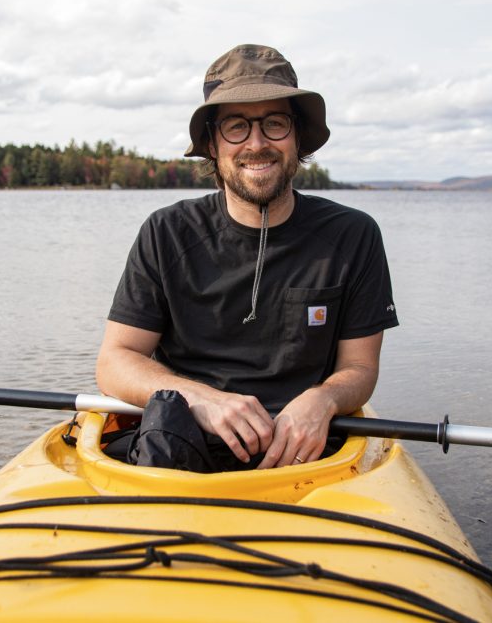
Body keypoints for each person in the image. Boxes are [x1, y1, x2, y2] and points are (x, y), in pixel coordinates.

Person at [95, 44, 398, 472]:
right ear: (213, 145)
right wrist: (199, 398)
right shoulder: (166, 232)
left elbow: (361, 366)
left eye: (274, 124)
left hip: (307, 454)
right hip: (178, 444)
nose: (257, 144)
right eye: (236, 127)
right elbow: (114, 361)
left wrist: (323, 399)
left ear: (297, 137)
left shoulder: (353, 235)